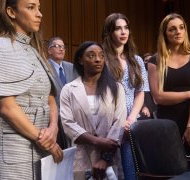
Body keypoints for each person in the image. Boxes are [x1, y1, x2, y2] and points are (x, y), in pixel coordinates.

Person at [0, 0, 63, 179]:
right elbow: (7, 108)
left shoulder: (35, 50)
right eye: (31, 7)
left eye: (39, 8)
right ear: (11, 12)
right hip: (17, 143)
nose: (39, 14)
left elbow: (50, 97)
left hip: (44, 137)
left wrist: (54, 127)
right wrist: (46, 141)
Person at [60, 41, 127, 179]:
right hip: (82, 155)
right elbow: (68, 123)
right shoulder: (69, 89)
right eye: (91, 56)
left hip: (110, 156)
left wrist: (105, 158)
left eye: (101, 56)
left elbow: (119, 123)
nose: (97, 59)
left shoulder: (116, 88)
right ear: (80, 60)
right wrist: (96, 141)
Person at [148, 13, 190, 159]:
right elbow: (158, 97)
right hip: (166, 122)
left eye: (181, 28)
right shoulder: (154, 61)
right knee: (168, 168)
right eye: (172, 29)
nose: (178, 32)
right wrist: (189, 93)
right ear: (165, 34)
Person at [102, 13, 149, 180]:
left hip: (130, 120)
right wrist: (119, 120)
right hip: (108, 119)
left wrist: (131, 118)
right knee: (109, 169)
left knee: (130, 168)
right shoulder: (102, 59)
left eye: (126, 28)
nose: (123, 32)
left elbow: (140, 92)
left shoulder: (136, 60)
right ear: (109, 32)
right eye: (118, 28)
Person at [46, 37, 78, 108]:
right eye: (57, 46)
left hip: (72, 112)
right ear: (49, 51)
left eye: (63, 47)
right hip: (53, 113)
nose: (61, 49)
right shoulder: (44, 67)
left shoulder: (71, 67)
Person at [139, 53, 157, 120]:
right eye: (146, 61)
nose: (148, 63)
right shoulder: (140, 76)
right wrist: (143, 106)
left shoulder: (158, 74)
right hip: (145, 103)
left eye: (150, 60)